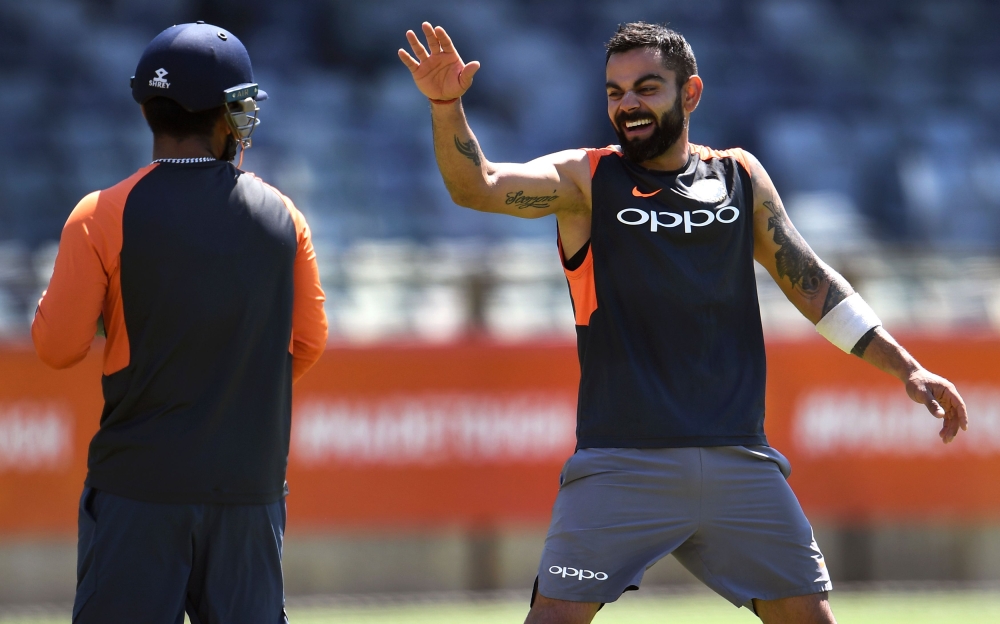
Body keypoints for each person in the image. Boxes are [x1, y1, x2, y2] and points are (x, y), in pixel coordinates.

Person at [398, 20, 968, 624]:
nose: (628, 105)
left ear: (690, 93)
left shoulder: (740, 177)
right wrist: (445, 107)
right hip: (620, 463)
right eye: (615, 93)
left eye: (647, 88)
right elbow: (478, 186)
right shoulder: (587, 181)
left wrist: (906, 367)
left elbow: (811, 282)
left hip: (738, 461)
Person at [32, 22, 328, 624]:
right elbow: (308, 342)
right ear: (221, 114)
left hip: (138, 491)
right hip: (249, 490)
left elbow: (57, 346)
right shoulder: (282, 215)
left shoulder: (100, 214)